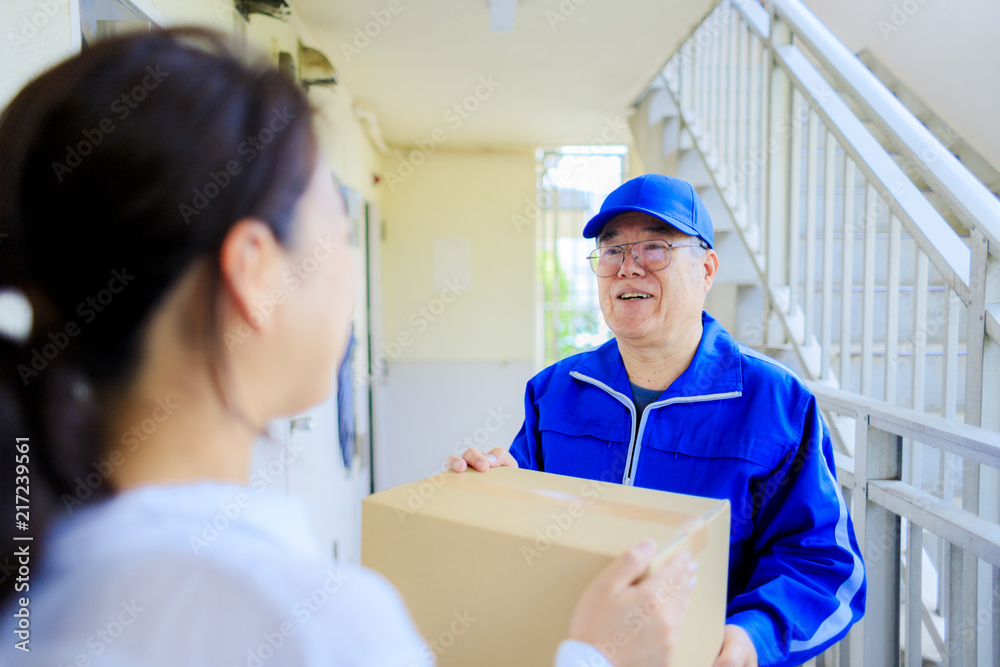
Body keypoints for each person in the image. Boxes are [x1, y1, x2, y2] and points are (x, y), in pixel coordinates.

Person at [0, 30, 696, 667]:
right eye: (339, 229)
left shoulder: (37, 573)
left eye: (655, 249)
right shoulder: (311, 624)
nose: (629, 268)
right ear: (255, 272)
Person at [449, 174, 866, 667]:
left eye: (655, 248)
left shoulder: (774, 400)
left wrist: (751, 640)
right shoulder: (555, 391)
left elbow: (823, 565)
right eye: (612, 251)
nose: (628, 268)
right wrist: (493, 492)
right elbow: (531, 531)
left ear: (707, 269)